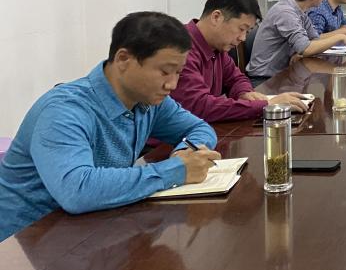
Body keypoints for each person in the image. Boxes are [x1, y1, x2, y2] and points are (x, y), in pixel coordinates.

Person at [0, 12, 220, 240]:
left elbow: (200, 129)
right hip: (25, 243)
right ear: (123, 59)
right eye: (165, 72)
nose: (172, 84)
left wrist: (185, 153)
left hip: (90, 228)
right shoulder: (63, 110)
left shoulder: (150, 100)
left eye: (178, 72)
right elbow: (76, 191)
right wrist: (175, 170)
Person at [171, 0, 308, 122]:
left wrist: (245, 93)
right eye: (241, 29)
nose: (243, 38)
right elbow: (200, 107)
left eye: (247, 32)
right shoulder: (180, 48)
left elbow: (236, 78)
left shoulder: (217, 47)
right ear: (216, 17)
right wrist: (266, 105)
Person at [246, 0, 346, 82]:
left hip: (284, 75)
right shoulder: (285, 12)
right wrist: (340, 37)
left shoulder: (300, 10)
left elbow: (314, 39)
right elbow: (305, 48)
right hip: (264, 80)